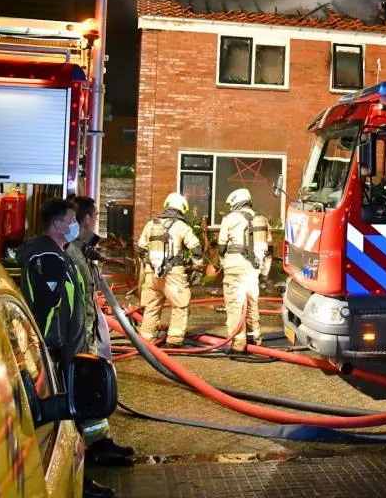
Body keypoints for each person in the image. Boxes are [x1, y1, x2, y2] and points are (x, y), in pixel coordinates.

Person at [16, 198, 116, 498]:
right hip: (57, 355)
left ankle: (79, 479)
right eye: (72, 219)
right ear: (59, 224)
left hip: (64, 351)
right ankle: (74, 483)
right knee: (62, 425)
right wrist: (55, 350)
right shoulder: (48, 258)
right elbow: (50, 310)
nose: (77, 224)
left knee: (67, 423)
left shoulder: (56, 254)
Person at [66, 196, 135, 467]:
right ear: (87, 219)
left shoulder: (79, 251)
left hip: (85, 334)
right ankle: (97, 446)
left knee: (88, 388)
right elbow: (77, 303)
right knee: (89, 389)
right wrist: (83, 342)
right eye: (95, 217)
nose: (96, 222)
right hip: (79, 338)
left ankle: (97, 442)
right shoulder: (72, 255)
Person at [135, 192, 204, 346]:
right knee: (180, 306)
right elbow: (196, 249)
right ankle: (174, 341)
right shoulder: (182, 226)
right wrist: (198, 268)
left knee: (151, 308)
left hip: (151, 274)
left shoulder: (151, 224)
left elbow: (140, 249)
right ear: (182, 208)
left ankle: (147, 341)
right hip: (174, 275)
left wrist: (150, 265)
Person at [217, 188, 271, 352]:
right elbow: (268, 250)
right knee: (252, 302)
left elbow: (221, 245)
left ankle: (237, 343)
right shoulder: (262, 220)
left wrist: (223, 260)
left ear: (235, 202)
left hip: (235, 267)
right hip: (253, 269)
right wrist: (264, 274)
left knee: (235, 305)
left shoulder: (230, 218)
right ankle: (255, 338)